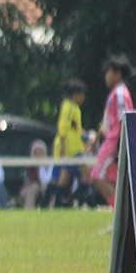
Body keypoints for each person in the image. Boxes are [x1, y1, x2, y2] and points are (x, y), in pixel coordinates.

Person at [91, 55, 134, 207]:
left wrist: (119, 145)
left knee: (97, 176)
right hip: (112, 140)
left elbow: (124, 119)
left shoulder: (120, 94)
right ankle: (119, 219)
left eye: (109, 72)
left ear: (118, 74)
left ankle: (119, 214)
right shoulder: (116, 92)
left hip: (114, 141)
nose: (106, 76)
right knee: (115, 181)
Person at [45, 78, 93, 208]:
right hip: (69, 148)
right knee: (85, 174)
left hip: (74, 147)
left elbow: (74, 127)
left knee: (63, 178)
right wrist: (63, 146)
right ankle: (84, 204)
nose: (83, 97)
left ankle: (54, 205)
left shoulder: (74, 107)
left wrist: (83, 137)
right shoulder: (68, 106)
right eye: (82, 94)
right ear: (76, 95)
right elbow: (63, 126)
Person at [20, 139, 53, 209]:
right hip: (29, 188)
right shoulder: (29, 166)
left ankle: (52, 210)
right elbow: (29, 181)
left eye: (41, 152)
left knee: (47, 188)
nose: (38, 155)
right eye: (36, 152)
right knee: (34, 188)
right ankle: (28, 212)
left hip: (46, 186)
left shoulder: (50, 164)